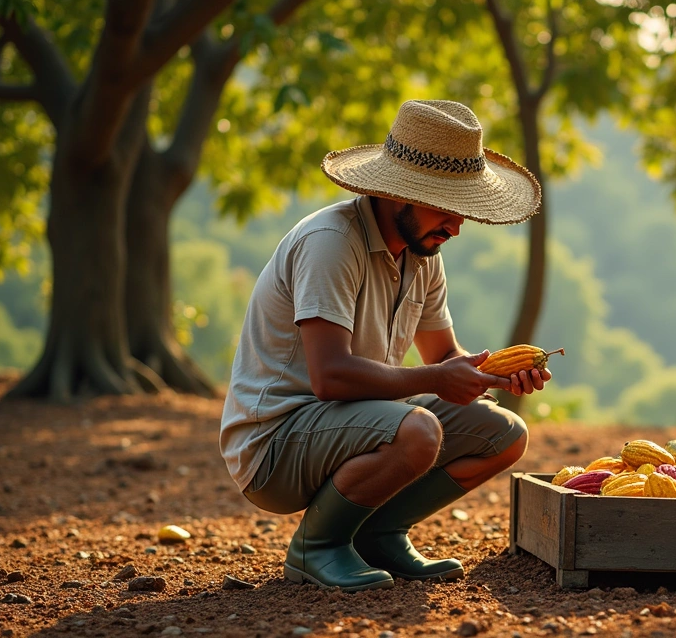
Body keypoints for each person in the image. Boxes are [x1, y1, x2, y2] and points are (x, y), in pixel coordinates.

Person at [219, 100, 548, 592]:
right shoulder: (331, 242)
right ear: (400, 196)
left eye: (464, 212)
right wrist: (438, 380)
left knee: (504, 434)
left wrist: (493, 375)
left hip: (353, 423)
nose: (457, 227)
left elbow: (442, 358)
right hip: (275, 445)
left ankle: (378, 534)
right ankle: (318, 546)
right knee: (418, 432)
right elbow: (329, 377)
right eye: (447, 208)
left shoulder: (423, 254)